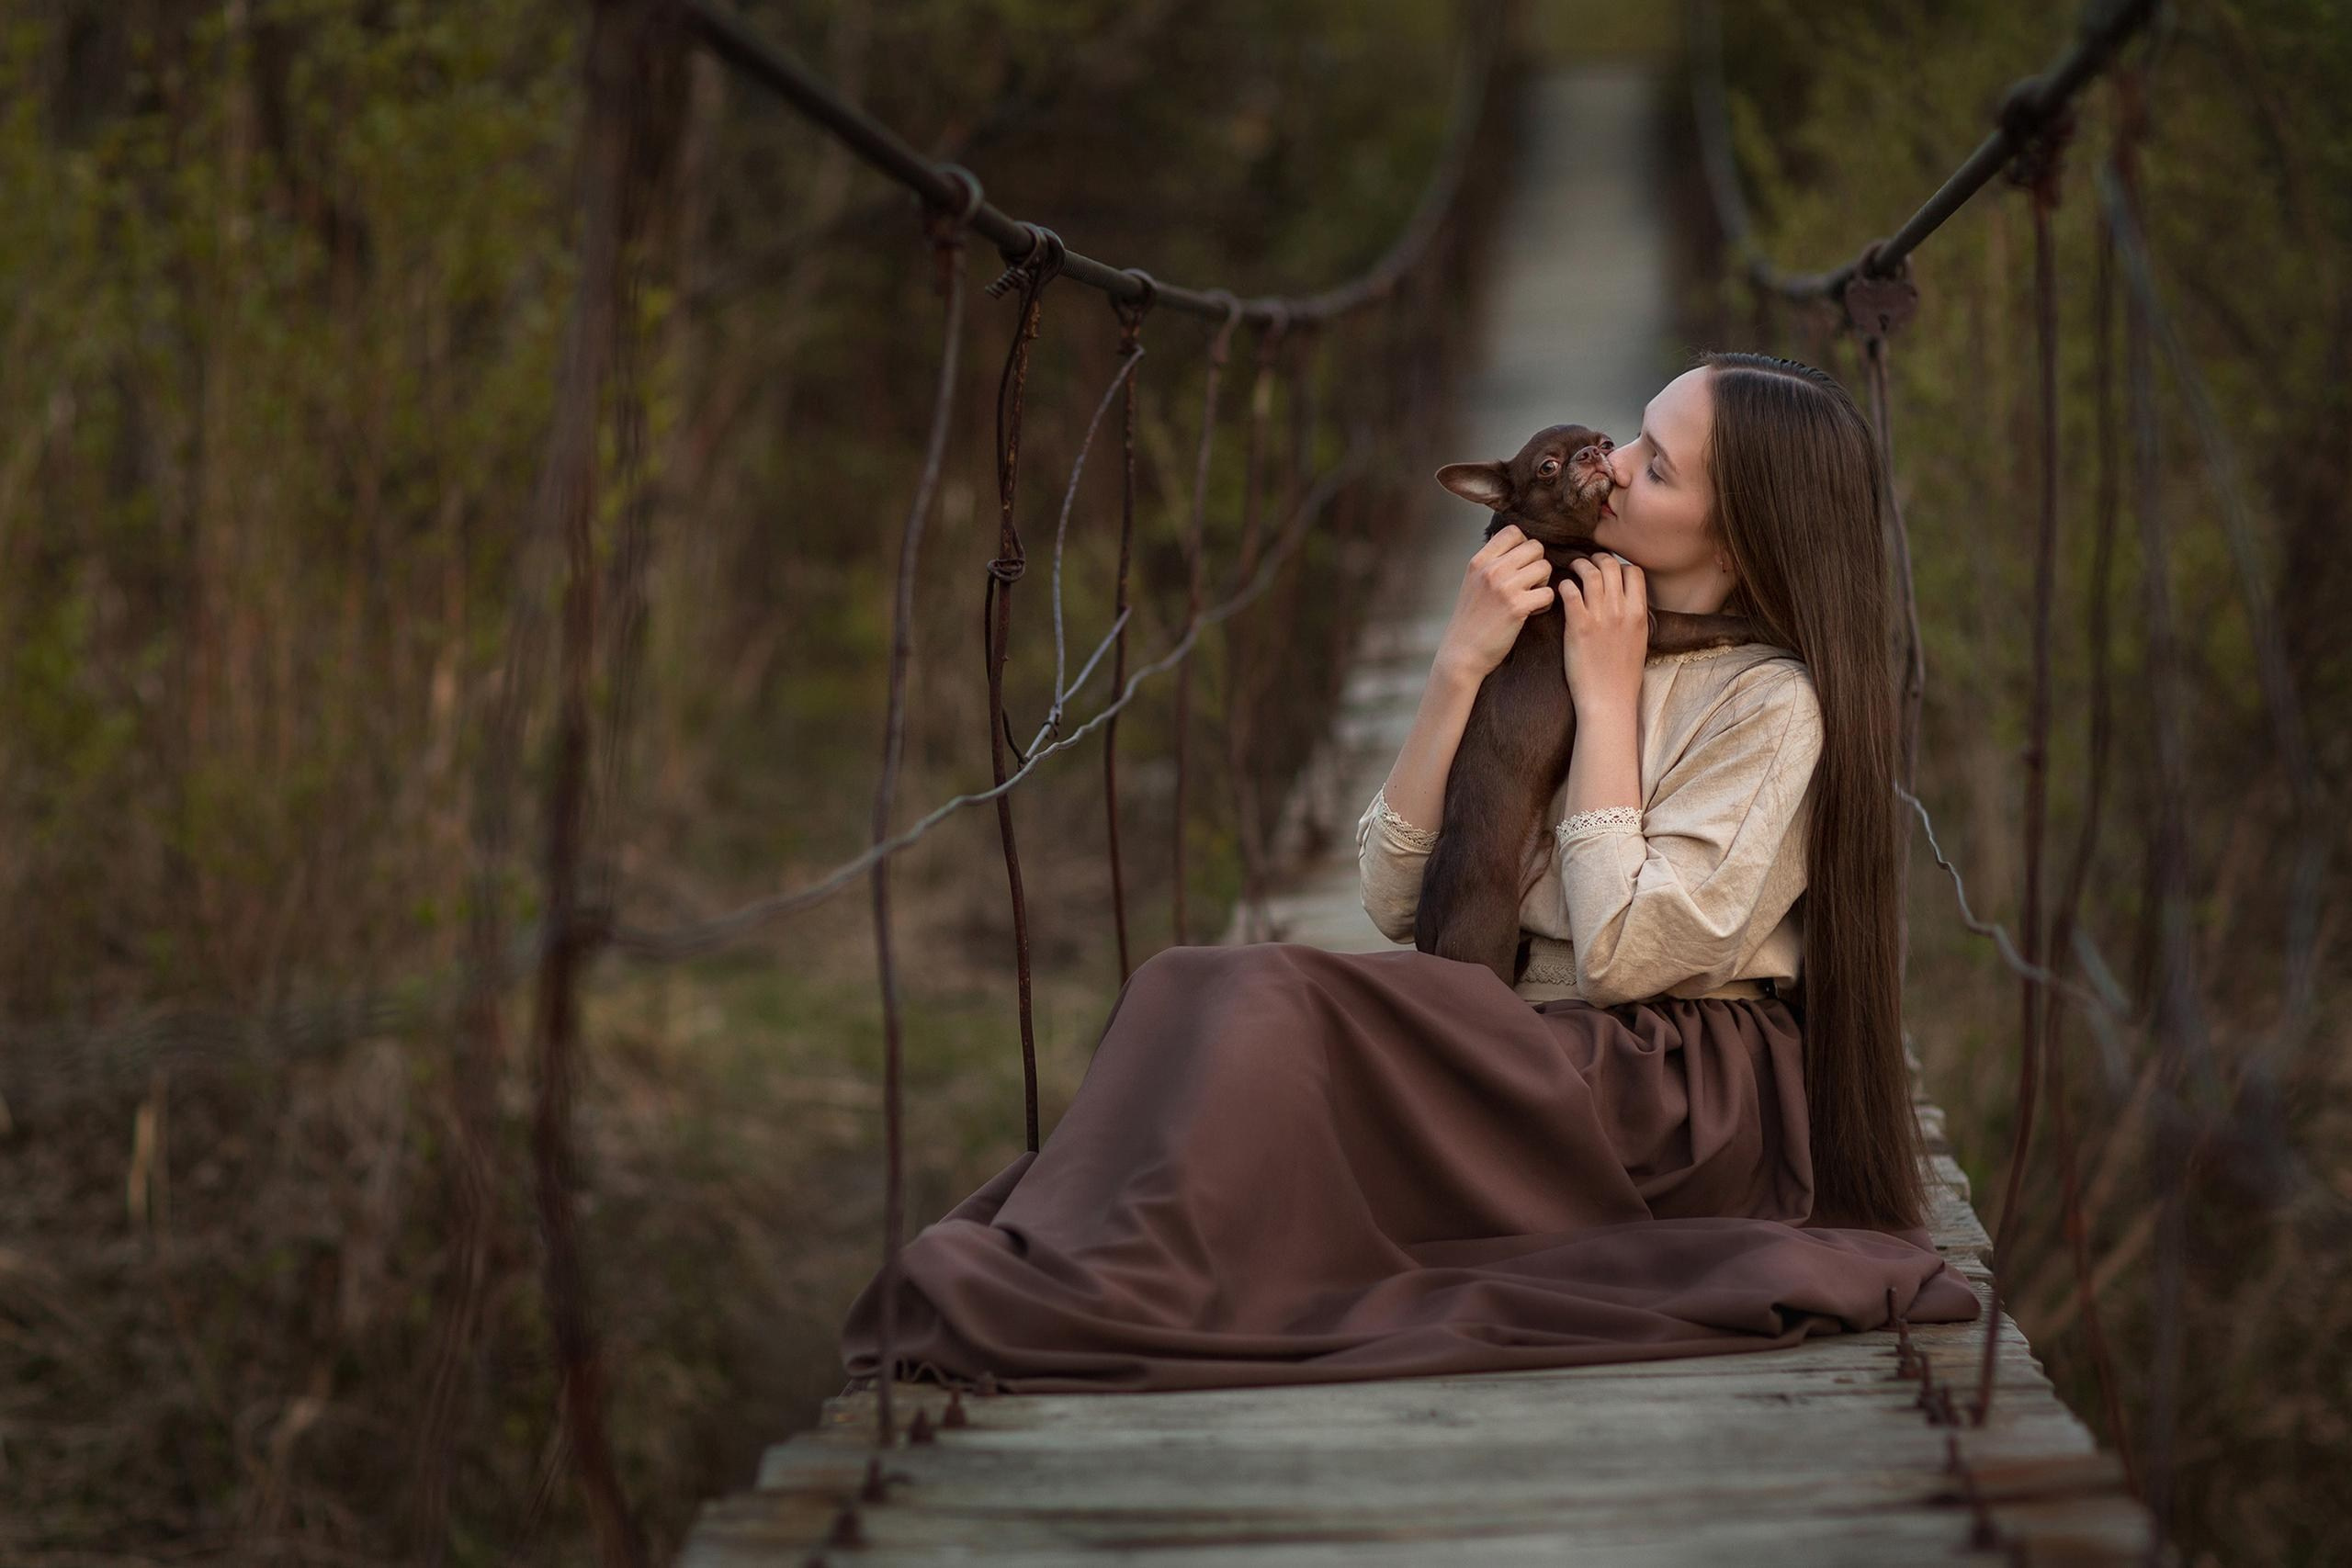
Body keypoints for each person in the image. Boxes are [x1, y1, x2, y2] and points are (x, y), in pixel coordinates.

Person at [838, 352, 1979, 1395]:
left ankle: (1113, 1281)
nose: (1615, 465)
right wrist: (1458, 666)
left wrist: (1605, 698)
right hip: (1530, 1046)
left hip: (1668, 1098)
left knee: (1270, 1008)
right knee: (1190, 984)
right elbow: (1395, 900)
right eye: (1635, 435)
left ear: (1736, 543)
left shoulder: (1769, 705)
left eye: (1658, 467)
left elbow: (1627, 957)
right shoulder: (1565, 621)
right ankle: (1097, 1259)